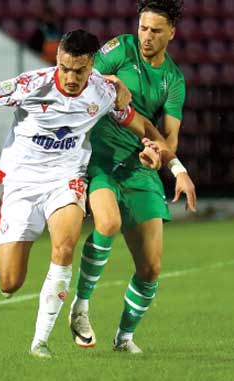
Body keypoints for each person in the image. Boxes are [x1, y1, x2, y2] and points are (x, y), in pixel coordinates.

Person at [0, 30, 195, 358]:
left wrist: (171, 163)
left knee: (64, 246)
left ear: (92, 67)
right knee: (9, 283)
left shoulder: (103, 92)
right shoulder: (32, 84)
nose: (71, 77)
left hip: (66, 179)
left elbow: (142, 124)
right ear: (57, 60)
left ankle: (40, 342)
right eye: (64, 68)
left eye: (79, 70)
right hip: (21, 184)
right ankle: (23, 277)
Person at [69, 0, 194, 353]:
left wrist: (159, 156)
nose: (146, 37)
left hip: (139, 168)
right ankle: (80, 306)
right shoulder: (120, 49)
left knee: (151, 268)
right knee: (107, 224)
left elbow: (169, 138)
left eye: (155, 30)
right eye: (143, 28)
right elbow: (82, 76)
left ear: (172, 32)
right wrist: (101, 82)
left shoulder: (173, 80)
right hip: (101, 160)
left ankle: (124, 338)